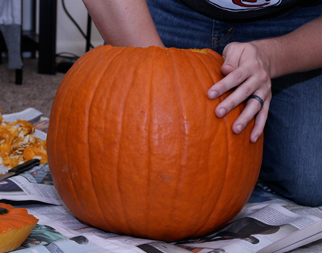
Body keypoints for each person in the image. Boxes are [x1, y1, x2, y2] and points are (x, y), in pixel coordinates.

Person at [82, 0, 322, 207]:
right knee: (117, 176)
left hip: (294, 23)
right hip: (169, 10)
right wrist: (154, 72)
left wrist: (271, 58)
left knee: (311, 182)